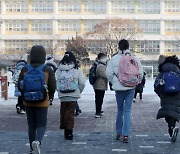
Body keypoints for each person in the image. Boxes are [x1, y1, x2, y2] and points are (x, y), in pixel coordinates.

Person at [18, 45, 56, 154]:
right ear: (43, 56)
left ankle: (31, 147)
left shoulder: (25, 69)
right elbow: (52, 86)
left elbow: (20, 85)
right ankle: (38, 142)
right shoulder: (47, 69)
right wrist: (50, 97)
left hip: (28, 102)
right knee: (41, 125)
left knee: (31, 125)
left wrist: (25, 95)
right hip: (42, 102)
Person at [106, 39, 143, 143]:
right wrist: (136, 81)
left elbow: (108, 73)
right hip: (130, 87)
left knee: (120, 110)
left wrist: (114, 82)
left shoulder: (113, 59)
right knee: (127, 111)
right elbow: (140, 72)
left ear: (118, 47)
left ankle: (118, 132)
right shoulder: (133, 58)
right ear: (128, 47)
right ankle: (126, 135)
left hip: (118, 87)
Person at [56, 51, 85, 140]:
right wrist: (78, 91)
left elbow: (55, 81)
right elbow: (82, 82)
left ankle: (65, 131)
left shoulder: (59, 70)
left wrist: (59, 90)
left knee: (63, 113)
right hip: (73, 95)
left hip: (63, 95)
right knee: (70, 114)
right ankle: (69, 132)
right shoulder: (77, 69)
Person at [154, 55, 180, 143]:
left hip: (165, 95)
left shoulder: (162, 73)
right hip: (176, 95)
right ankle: (173, 126)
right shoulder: (178, 72)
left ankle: (171, 128)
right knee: (174, 111)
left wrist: (160, 93)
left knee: (167, 112)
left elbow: (156, 85)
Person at [93, 53, 108, 118]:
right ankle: (97, 112)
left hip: (99, 84)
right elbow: (103, 74)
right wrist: (109, 74)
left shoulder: (99, 65)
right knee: (99, 99)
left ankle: (99, 110)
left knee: (99, 99)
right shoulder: (101, 66)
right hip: (100, 85)